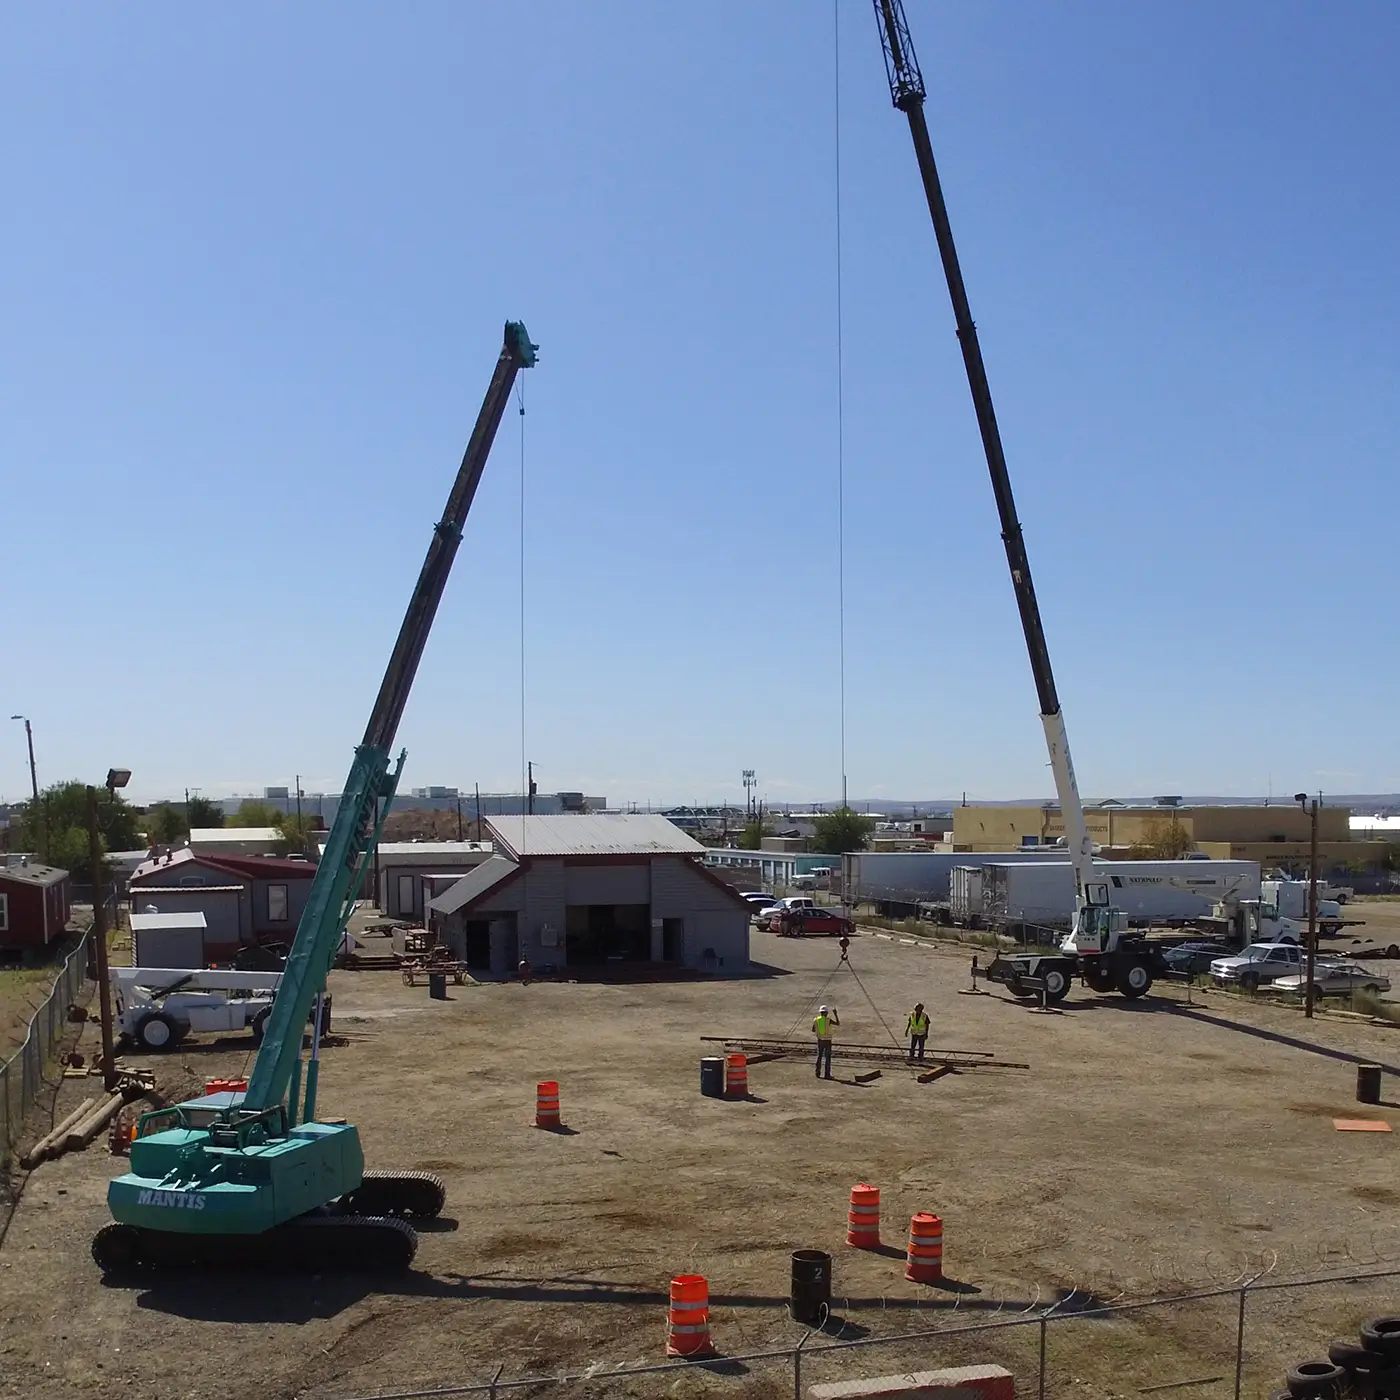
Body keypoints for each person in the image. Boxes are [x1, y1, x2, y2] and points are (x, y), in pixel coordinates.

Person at [812, 1003, 840, 1079]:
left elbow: (813, 1030)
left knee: (819, 1057)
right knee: (827, 1058)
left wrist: (819, 1029)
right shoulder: (828, 1020)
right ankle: (827, 1075)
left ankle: (817, 1073)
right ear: (826, 1013)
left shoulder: (816, 1020)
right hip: (827, 1041)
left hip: (820, 1040)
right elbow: (838, 1023)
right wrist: (835, 1014)